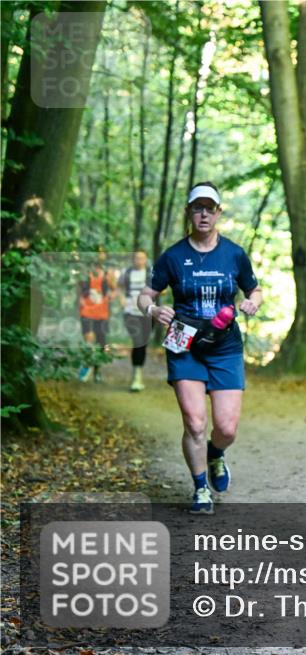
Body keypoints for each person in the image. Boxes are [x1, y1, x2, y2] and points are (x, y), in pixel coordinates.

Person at [137, 182, 263, 515]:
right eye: (197, 208)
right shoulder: (174, 256)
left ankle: (216, 453)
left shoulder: (234, 253)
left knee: (226, 428)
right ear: (189, 212)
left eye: (210, 208)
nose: (204, 214)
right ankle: (200, 488)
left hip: (225, 346)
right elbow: (145, 294)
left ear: (219, 213)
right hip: (184, 342)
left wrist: (251, 303)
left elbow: (255, 290)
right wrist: (152, 310)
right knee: (194, 422)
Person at [77, 250, 115, 383]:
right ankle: (86, 365)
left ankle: (97, 370)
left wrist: (111, 292)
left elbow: (114, 289)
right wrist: (80, 299)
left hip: (102, 310)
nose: (99, 255)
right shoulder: (85, 270)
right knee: (88, 338)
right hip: (86, 309)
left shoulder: (108, 272)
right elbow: (79, 288)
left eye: (102, 252)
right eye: (97, 252)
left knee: (101, 343)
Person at [119, 250, 152, 392]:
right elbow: (119, 287)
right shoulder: (126, 272)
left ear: (146, 259)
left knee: (143, 343)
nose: (139, 260)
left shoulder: (151, 273)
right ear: (133, 259)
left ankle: (138, 372)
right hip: (130, 312)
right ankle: (136, 377)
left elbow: (162, 288)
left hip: (148, 313)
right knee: (137, 341)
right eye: (137, 258)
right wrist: (121, 299)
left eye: (142, 258)